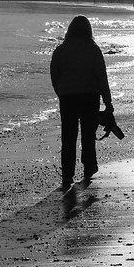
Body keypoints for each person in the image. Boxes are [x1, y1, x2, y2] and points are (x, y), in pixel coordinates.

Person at [50, 15, 114, 189]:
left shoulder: (60, 50)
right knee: (87, 135)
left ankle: (67, 175)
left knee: (68, 137)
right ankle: (89, 168)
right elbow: (102, 78)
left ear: (69, 30)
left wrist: (61, 92)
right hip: (89, 97)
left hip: (68, 97)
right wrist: (108, 103)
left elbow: (55, 75)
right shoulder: (93, 50)